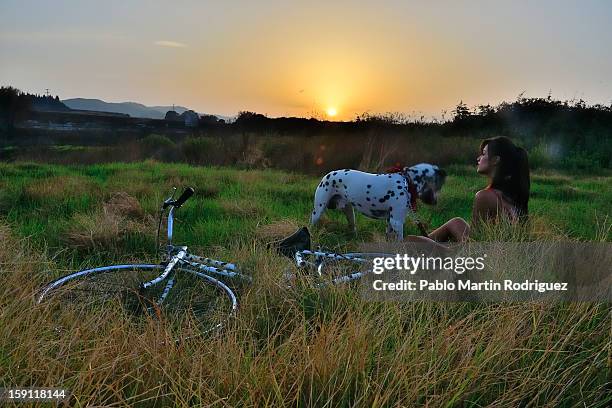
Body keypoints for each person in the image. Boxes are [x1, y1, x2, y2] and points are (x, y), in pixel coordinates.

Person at [408, 136, 530, 245]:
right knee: (457, 222)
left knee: (412, 240)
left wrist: (437, 248)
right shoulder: (509, 195)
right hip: (501, 255)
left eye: (483, 154)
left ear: (495, 160)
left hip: (483, 259)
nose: (478, 158)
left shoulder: (485, 196)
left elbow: (473, 246)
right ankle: (425, 242)